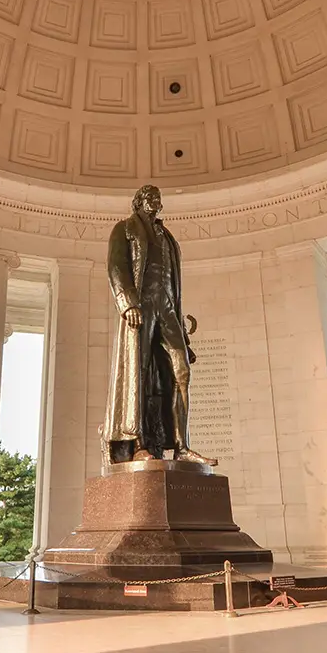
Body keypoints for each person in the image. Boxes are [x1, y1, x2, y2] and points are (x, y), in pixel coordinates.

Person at [102, 185, 217, 466]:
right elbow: (116, 267)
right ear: (138, 202)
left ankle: (182, 446)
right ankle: (139, 442)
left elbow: (173, 285)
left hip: (167, 308)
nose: (155, 201)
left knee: (181, 371)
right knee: (138, 372)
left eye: (158, 198)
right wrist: (127, 302)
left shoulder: (168, 239)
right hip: (141, 305)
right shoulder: (125, 228)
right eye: (149, 197)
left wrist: (185, 339)